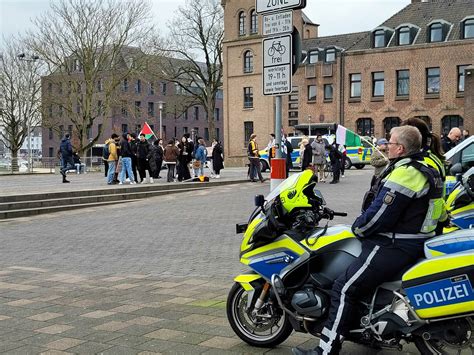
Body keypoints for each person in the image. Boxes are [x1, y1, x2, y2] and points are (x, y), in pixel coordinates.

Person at [292, 126, 445, 355]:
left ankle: (326, 350)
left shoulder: (406, 173)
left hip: (394, 244)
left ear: (400, 149)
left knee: (343, 288)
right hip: (419, 238)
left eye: (390, 143)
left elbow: (381, 214)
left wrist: (359, 229)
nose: (386, 146)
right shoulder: (430, 165)